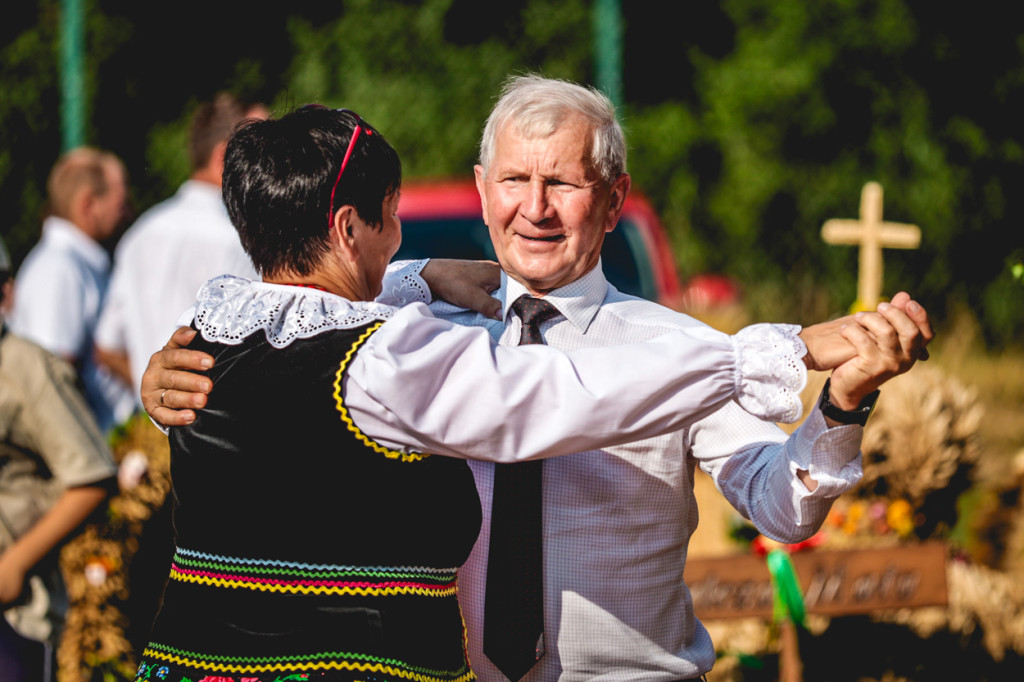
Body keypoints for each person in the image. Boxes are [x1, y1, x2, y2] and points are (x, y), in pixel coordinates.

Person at [129, 104, 915, 682]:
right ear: (480, 187)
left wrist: (841, 406)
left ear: (613, 198)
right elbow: (541, 395)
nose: (533, 207)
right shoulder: (403, 333)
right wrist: (153, 378)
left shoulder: (683, 351)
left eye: (563, 183)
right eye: (514, 179)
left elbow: (783, 507)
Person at [95, 93, 269, 402]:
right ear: (224, 157)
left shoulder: (139, 233)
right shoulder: (238, 238)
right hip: (210, 422)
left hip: (149, 426)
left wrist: (151, 388)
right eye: (263, 154)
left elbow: (107, 347)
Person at [0, 236, 118, 682]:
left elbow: (91, 477)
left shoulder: (26, 368)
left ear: (6, 292)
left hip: (14, 616)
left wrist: (13, 566)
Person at [9, 147, 135, 433]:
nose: (128, 212)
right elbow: (52, 377)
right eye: (121, 203)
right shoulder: (60, 268)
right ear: (89, 205)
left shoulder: (75, 264)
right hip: (84, 456)